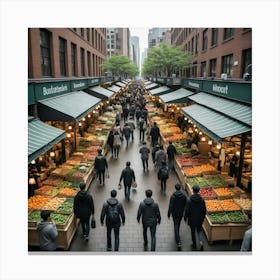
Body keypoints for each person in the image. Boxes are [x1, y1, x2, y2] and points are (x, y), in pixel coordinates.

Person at [184, 185, 206, 251]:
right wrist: (203, 217)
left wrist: (185, 217)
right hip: (199, 219)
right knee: (199, 230)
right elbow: (204, 210)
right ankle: (201, 242)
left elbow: (187, 210)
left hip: (192, 219)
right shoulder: (202, 200)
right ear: (199, 191)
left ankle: (194, 244)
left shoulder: (189, 200)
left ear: (193, 191)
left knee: (193, 231)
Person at [168, 183, 187, 249]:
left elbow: (171, 205)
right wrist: (185, 214)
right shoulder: (184, 196)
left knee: (175, 224)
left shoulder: (172, 196)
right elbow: (186, 205)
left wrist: (169, 213)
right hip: (181, 213)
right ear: (180, 188)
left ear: (175, 188)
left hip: (174, 213)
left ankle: (178, 240)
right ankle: (177, 233)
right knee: (178, 223)